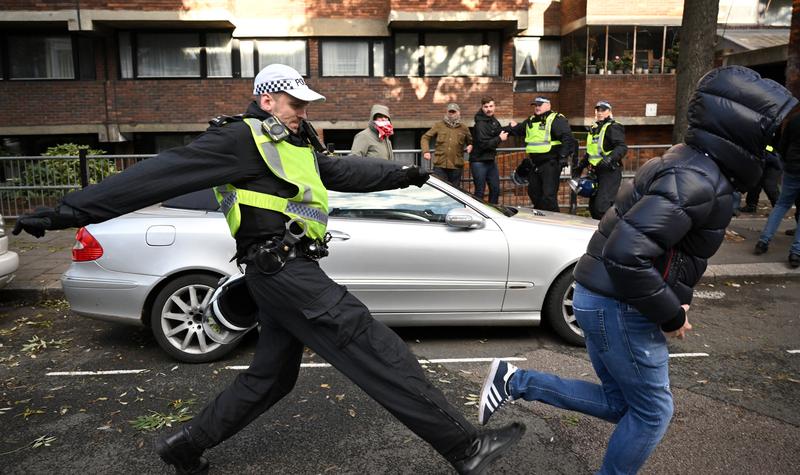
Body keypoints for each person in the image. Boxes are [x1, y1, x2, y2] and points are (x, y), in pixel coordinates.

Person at [13, 64, 525, 475]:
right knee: (373, 346)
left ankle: (184, 444)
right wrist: (66, 212)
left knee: (271, 378)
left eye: (305, 104)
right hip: (284, 273)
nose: (303, 111)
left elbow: (337, 170)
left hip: (281, 273)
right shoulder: (238, 139)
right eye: (295, 103)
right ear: (266, 100)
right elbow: (157, 175)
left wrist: (404, 174)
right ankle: (464, 447)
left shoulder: (292, 142)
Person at [477, 66, 797, 474]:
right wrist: (669, 313)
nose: (778, 145)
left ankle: (514, 381)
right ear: (747, 130)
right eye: (774, 133)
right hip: (619, 304)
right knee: (652, 412)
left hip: (601, 296)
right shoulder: (697, 178)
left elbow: (673, 251)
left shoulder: (691, 164)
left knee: (622, 405)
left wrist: (679, 300)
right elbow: (627, 254)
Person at [504, 96, 577, 212]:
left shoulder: (556, 119)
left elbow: (567, 138)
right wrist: (497, 130)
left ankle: (554, 219)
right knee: (534, 192)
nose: (537, 107)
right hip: (535, 164)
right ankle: (540, 217)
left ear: (548, 105)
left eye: (540, 105)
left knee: (548, 196)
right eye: (535, 105)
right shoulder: (531, 120)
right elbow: (517, 129)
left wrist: (563, 157)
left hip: (550, 163)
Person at [753, 105, 800, 268]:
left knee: (781, 205)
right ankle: (796, 252)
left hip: (792, 167)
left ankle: (763, 240)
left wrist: (785, 162)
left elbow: (782, 144)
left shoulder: (794, 120)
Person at [573, 101, 628, 220]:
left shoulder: (613, 126)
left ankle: (610, 229)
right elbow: (591, 152)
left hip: (609, 171)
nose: (599, 112)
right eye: (598, 110)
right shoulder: (594, 128)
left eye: (603, 110)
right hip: (596, 171)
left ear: (609, 112)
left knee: (601, 207)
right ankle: (599, 228)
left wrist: (610, 158)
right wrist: (581, 166)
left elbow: (622, 147)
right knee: (593, 208)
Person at [421, 103, 473, 188]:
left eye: (454, 112)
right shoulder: (439, 125)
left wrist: (470, 145)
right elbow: (425, 137)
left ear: (459, 113)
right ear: (447, 112)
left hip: (456, 166)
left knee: (454, 190)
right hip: (440, 165)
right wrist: (426, 151)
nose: (451, 114)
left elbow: (470, 142)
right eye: (450, 112)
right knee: (439, 190)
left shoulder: (464, 128)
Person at [469, 96, 508, 204]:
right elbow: (484, 144)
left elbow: (500, 131)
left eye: (491, 106)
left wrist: (513, 127)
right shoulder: (480, 124)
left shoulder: (493, 121)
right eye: (486, 107)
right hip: (479, 162)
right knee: (480, 191)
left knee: (495, 189)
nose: (489, 109)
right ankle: (478, 212)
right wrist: (499, 138)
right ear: (482, 107)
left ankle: (492, 211)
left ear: (494, 106)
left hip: (490, 161)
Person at [741, 145, 781, 212]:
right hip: (761, 160)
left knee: (769, 185)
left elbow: (772, 148)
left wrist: (765, 148)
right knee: (755, 182)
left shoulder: (768, 145)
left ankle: (778, 209)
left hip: (773, 162)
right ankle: (751, 205)